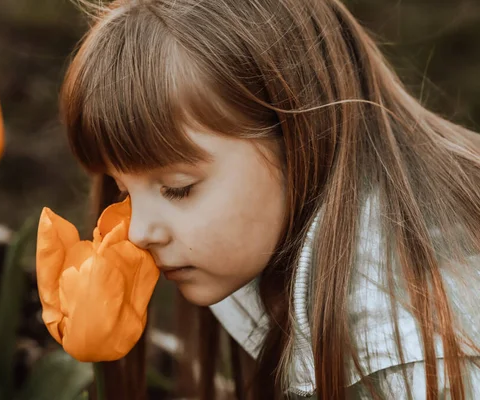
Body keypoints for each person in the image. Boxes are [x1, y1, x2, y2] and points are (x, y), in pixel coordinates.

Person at [58, 0, 480, 398]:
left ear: (298, 134)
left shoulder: (412, 353)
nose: (137, 231)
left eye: (178, 188)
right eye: (124, 190)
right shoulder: (264, 252)